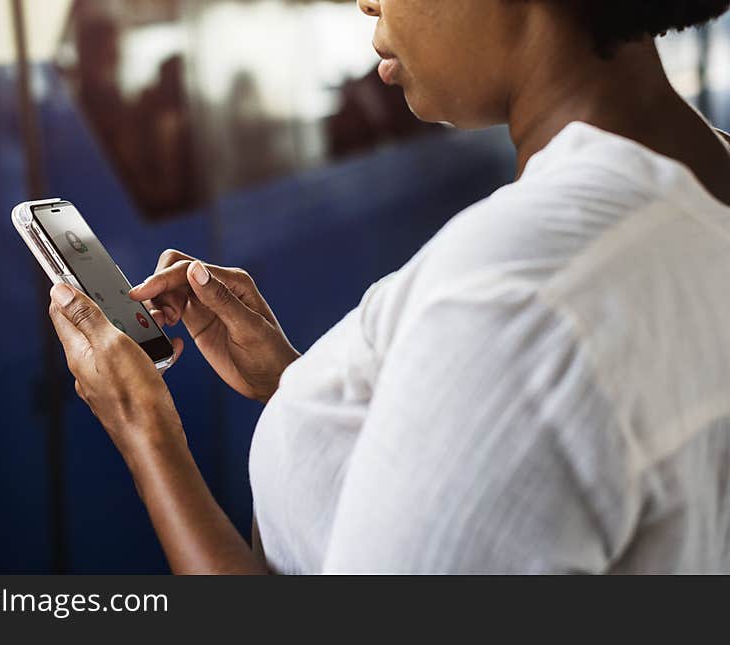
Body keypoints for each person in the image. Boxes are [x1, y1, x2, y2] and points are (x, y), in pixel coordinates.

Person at [47, 0, 730, 573]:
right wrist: (304, 386)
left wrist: (142, 425)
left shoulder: (518, 295)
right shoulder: (698, 181)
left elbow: (520, 371)